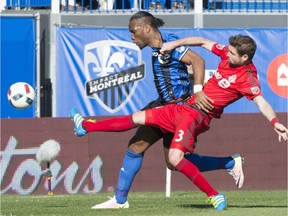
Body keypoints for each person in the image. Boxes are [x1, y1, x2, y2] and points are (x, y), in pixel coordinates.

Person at [71, 12, 248, 211]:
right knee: (143, 149)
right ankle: (119, 199)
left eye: (133, 31)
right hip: (164, 106)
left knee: (169, 159)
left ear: (146, 28)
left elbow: (197, 61)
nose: (131, 36)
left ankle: (223, 172)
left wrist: (197, 90)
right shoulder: (158, 49)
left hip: (180, 110)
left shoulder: (169, 46)